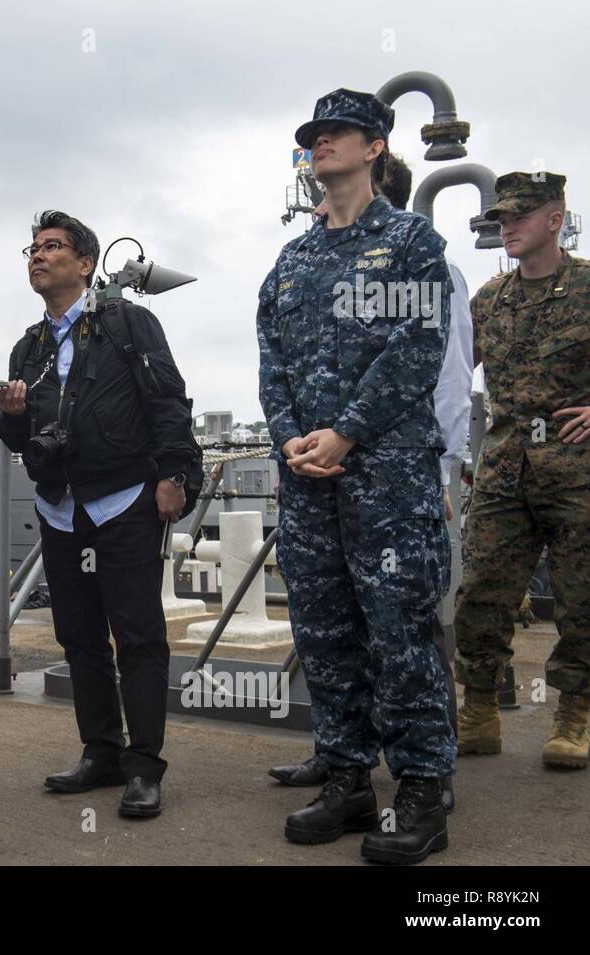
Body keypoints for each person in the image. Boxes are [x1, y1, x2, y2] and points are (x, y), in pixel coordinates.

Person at [257, 90, 455, 864]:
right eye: (312, 136)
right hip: (308, 480)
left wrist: (345, 432)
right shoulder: (294, 257)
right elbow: (271, 359)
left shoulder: (409, 242)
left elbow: (417, 347)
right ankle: (345, 779)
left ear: (375, 146)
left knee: (399, 633)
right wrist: (288, 439)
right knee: (324, 630)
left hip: (388, 476)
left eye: (335, 134)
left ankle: (422, 792)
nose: (320, 145)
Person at [0, 210, 197, 818]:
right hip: (60, 508)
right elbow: (16, 440)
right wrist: (10, 415)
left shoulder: (129, 324)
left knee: (137, 636)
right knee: (78, 636)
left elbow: (167, 399)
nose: (38, 255)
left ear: (85, 263)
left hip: (124, 500)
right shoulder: (26, 347)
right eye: (31, 247)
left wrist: (175, 474)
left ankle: (144, 767)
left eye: (52, 246)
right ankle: (101, 751)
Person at [454, 171, 590, 769]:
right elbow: (456, 371)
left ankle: (573, 713)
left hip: (576, 466)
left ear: (555, 219)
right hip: (505, 463)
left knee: (581, 595)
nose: (506, 227)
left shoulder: (588, 288)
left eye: (519, 217)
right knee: (482, 590)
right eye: (501, 219)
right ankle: (479, 709)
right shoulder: (490, 298)